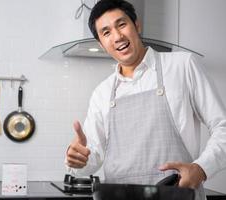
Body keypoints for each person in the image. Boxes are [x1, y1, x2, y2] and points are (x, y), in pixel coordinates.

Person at [65, 0, 226, 200]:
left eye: (121, 24)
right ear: (101, 44)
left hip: (177, 195)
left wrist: (201, 169)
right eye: (106, 32)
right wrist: (78, 161)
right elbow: (92, 157)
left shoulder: (182, 66)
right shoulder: (102, 93)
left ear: (137, 25)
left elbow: (223, 126)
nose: (117, 36)